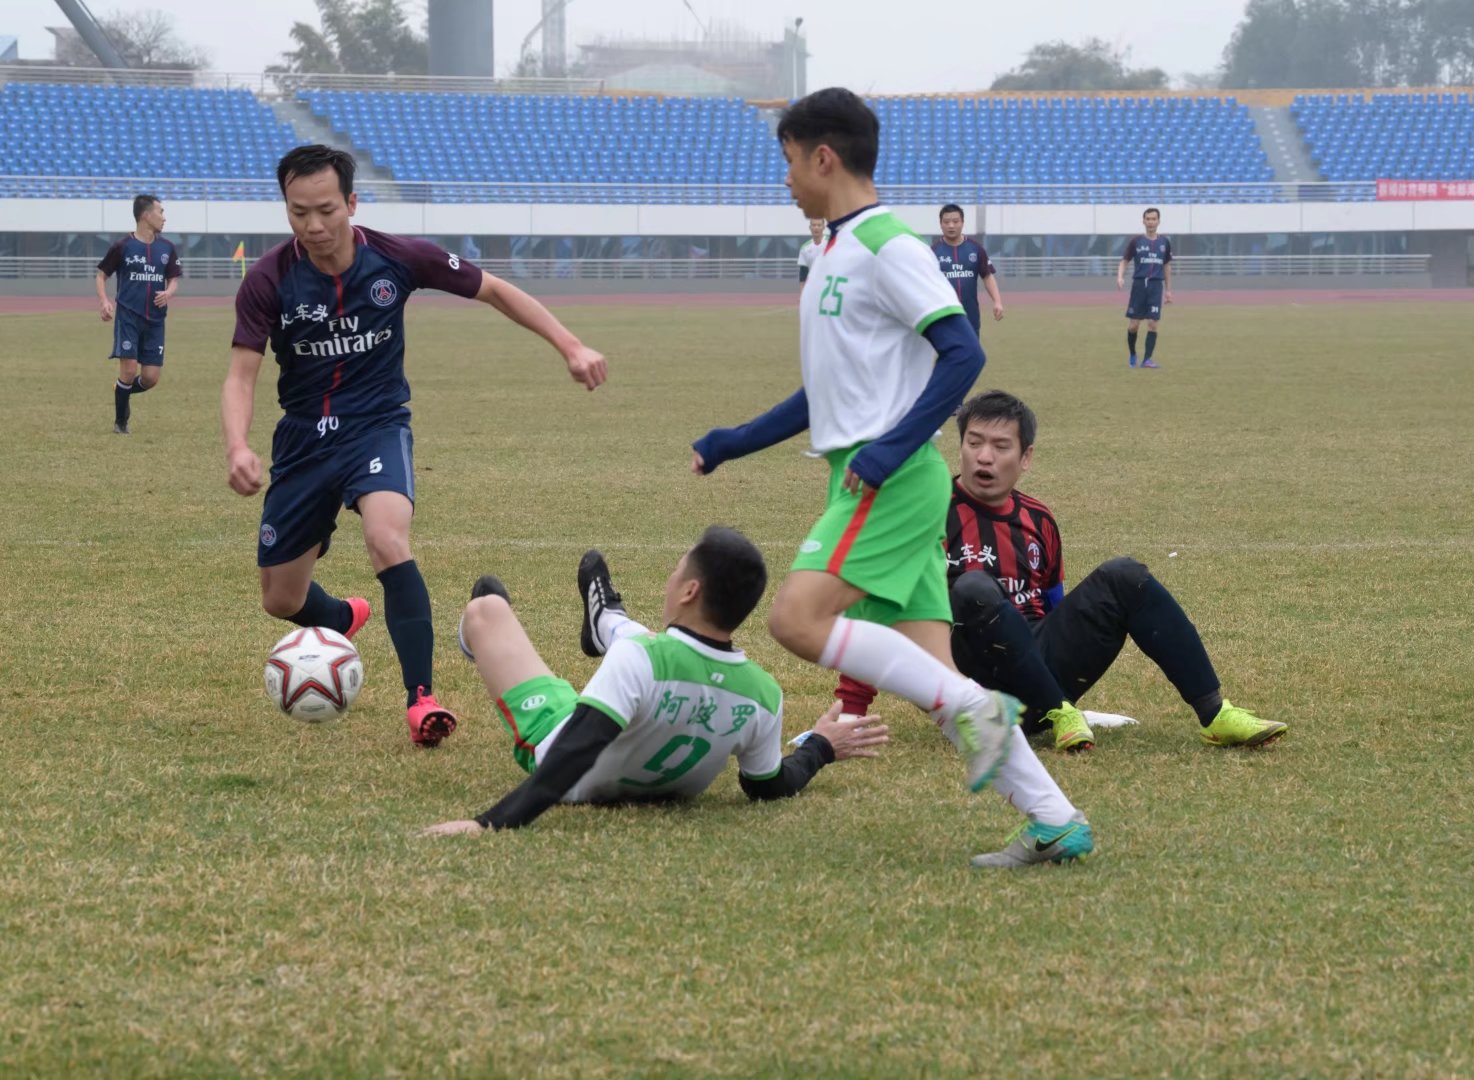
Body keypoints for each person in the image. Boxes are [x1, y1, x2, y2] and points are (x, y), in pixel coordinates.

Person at [690, 88, 1091, 869]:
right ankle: (1056, 819)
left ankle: (980, 706)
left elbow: (965, 353)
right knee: (934, 675)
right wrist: (735, 441)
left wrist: (890, 450)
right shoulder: (830, 254)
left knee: (795, 620)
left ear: (823, 157)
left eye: (787, 162)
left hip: (890, 479)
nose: (785, 180)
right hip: (871, 470)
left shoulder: (887, 245)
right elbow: (829, 393)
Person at [223, 144, 607, 748]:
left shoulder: (397, 257)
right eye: (298, 213)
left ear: (352, 201)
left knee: (386, 535)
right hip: (301, 439)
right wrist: (237, 445)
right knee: (281, 598)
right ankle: (341, 618)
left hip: (376, 426)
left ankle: (421, 698)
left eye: (326, 209)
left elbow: (497, 290)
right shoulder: (269, 278)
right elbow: (241, 372)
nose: (314, 226)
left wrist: (571, 345)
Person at [834, 390, 1286, 750]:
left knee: (1124, 575)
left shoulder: (1039, 520)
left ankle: (1215, 713)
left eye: (999, 446)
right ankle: (1059, 710)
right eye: (974, 444)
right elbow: (877, 610)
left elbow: (1056, 609)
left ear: (1025, 457)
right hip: (977, 689)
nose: (984, 457)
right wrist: (852, 709)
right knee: (973, 588)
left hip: (1039, 667)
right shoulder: (926, 515)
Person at [423, 531, 890, 834]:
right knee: (660, 647)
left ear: (689, 591)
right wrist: (820, 747)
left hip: (558, 737)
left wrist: (490, 824)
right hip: (639, 719)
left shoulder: (640, 658)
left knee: (487, 608)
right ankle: (606, 620)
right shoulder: (765, 694)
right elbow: (768, 786)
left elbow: (575, 750)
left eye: (676, 571)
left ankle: (602, 622)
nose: (671, 579)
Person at [96, 194, 181, 434]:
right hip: (128, 316)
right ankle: (121, 423)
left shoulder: (167, 248)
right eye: (160, 212)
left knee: (151, 378)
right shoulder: (123, 246)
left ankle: (121, 390)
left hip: (156, 321)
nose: (164, 217)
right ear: (145, 215)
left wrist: (169, 292)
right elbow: (102, 274)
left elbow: (173, 278)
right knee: (129, 369)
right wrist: (104, 301)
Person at [931, 203, 1003, 335]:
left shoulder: (975, 248)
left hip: (970, 317)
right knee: (949, 354)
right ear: (940, 224)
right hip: (943, 317)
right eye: (946, 222)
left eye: (955, 221)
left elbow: (987, 276)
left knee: (972, 355)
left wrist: (997, 302)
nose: (951, 225)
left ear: (962, 223)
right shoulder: (933, 252)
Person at [1117, 208, 1173, 369]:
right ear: (1143, 221)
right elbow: (1124, 261)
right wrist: (1120, 276)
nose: (1151, 222)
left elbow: (1167, 266)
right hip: (1139, 285)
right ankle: (1133, 353)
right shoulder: (1136, 241)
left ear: (1158, 221)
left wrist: (1168, 290)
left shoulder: (1164, 243)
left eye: (1154, 219)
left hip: (1156, 285)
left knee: (1153, 323)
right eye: (1148, 219)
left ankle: (1147, 359)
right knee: (1134, 325)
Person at [797, 217, 828, 289]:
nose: (816, 228)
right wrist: (802, 293)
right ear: (810, 227)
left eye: (819, 225)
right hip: (813, 287)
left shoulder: (831, 243)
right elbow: (803, 274)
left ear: (823, 227)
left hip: (829, 285)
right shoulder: (805, 248)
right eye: (813, 225)